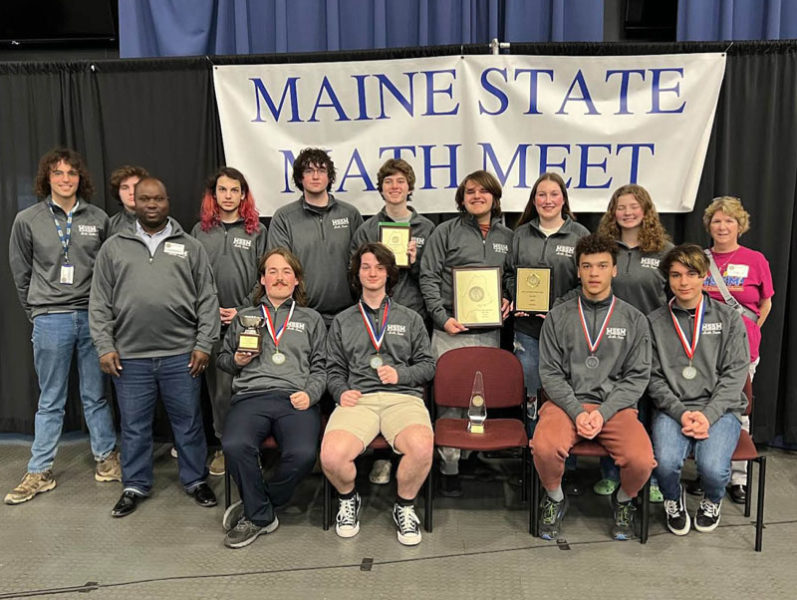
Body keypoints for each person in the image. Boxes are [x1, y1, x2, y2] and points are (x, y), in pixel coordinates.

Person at [89, 177, 220, 517]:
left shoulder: (190, 246)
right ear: (134, 202)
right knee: (133, 425)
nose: (151, 204)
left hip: (182, 354)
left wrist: (204, 342)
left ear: (168, 201)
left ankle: (195, 480)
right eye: (144, 198)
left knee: (189, 422)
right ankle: (134, 485)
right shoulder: (113, 247)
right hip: (130, 357)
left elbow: (208, 299)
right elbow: (99, 302)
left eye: (157, 199)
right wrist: (104, 346)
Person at [6, 148, 119, 505]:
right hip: (50, 318)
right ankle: (39, 471)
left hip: (91, 317)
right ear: (48, 179)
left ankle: (106, 460)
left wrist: (101, 317)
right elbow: (21, 274)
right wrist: (38, 312)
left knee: (95, 395)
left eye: (71, 173)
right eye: (58, 173)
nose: (65, 179)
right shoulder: (28, 219)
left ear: (79, 178)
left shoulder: (98, 219)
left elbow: (108, 273)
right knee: (51, 399)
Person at [532, 234, 655, 541]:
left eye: (602, 265)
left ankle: (624, 501)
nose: (594, 273)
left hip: (615, 408)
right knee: (544, 447)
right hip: (564, 404)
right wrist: (576, 410)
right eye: (587, 266)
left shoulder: (634, 319)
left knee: (642, 460)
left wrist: (603, 412)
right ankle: (555, 498)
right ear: (578, 271)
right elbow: (550, 373)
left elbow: (637, 377)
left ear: (614, 269)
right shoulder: (558, 316)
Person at [321, 242, 435, 546]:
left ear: (389, 274)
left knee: (422, 448)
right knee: (332, 456)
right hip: (359, 400)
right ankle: (349, 499)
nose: (372, 272)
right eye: (366, 266)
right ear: (357, 274)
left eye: (379, 267)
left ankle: (405, 506)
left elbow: (428, 366)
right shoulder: (343, 321)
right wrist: (341, 391)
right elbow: (332, 370)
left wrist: (402, 374)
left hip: (403, 398)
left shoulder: (410, 318)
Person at [218, 248, 326, 549]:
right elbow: (223, 359)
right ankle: (260, 514)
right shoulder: (246, 317)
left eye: (286, 272)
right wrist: (237, 360)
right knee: (234, 444)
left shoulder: (312, 319)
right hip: (252, 396)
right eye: (272, 272)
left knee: (304, 453)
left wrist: (311, 393)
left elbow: (322, 366)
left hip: (296, 398)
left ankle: (257, 505)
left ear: (296, 280)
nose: (279, 278)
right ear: (262, 280)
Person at [419, 170, 512, 497]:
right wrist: (442, 318)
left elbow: (512, 277)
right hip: (450, 331)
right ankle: (449, 466)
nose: (476, 196)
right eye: (470, 191)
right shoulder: (445, 232)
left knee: (481, 397)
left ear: (494, 197)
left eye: (483, 192)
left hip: (489, 332)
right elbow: (428, 278)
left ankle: (470, 455)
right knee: (450, 400)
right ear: (461, 198)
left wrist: (508, 298)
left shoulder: (507, 236)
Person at [647, 244, 749, 535]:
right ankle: (672, 498)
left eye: (692, 274)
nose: (684, 282)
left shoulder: (728, 318)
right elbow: (653, 379)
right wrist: (681, 413)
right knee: (665, 464)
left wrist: (708, 414)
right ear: (668, 278)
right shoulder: (654, 322)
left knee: (713, 470)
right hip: (673, 409)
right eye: (676, 275)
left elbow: (735, 374)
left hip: (720, 410)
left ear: (704, 276)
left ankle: (713, 500)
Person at [350, 158, 435, 486]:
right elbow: (354, 273)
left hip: (413, 319)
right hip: (372, 321)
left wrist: (412, 264)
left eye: (401, 182)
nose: (395, 187)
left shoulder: (427, 229)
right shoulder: (368, 229)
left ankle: (412, 452)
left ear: (410, 187)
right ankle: (380, 457)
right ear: (381, 188)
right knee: (373, 386)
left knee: (409, 387)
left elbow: (433, 277)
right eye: (389, 182)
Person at [593, 183, 673, 501]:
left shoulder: (664, 250)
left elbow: (674, 299)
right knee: (611, 403)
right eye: (621, 207)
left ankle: (649, 475)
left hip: (651, 343)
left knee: (649, 408)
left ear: (646, 211)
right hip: (607, 341)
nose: (627, 212)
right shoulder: (604, 248)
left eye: (633, 206)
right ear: (613, 212)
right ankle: (611, 472)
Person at [191, 167, 267, 477]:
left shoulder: (257, 232)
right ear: (214, 195)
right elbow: (192, 276)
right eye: (222, 190)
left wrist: (243, 308)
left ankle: (253, 446)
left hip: (248, 320)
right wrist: (211, 308)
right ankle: (224, 446)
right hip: (210, 321)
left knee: (249, 385)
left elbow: (266, 277)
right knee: (219, 390)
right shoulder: (199, 231)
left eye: (234, 190)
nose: (228, 196)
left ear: (243, 195)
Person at [700, 196, 773, 504]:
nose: (722, 226)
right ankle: (707, 473)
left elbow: (766, 302)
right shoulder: (699, 259)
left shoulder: (755, 259)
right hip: (703, 347)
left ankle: (737, 477)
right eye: (717, 220)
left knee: (737, 408)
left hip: (742, 348)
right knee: (703, 407)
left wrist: (750, 330)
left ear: (739, 225)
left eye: (729, 220)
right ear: (709, 226)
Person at [267, 148, 363, 327]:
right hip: (301, 317)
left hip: (349, 316)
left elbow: (363, 264)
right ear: (300, 178)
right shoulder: (284, 218)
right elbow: (279, 267)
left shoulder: (350, 214)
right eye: (309, 171)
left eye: (321, 170)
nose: (316, 176)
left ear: (330, 177)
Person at [108, 165, 149, 235]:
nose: (131, 192)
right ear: (118, 192)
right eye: (125, 188)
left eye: (136, 186)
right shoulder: (110, 226)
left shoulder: (163, 222)